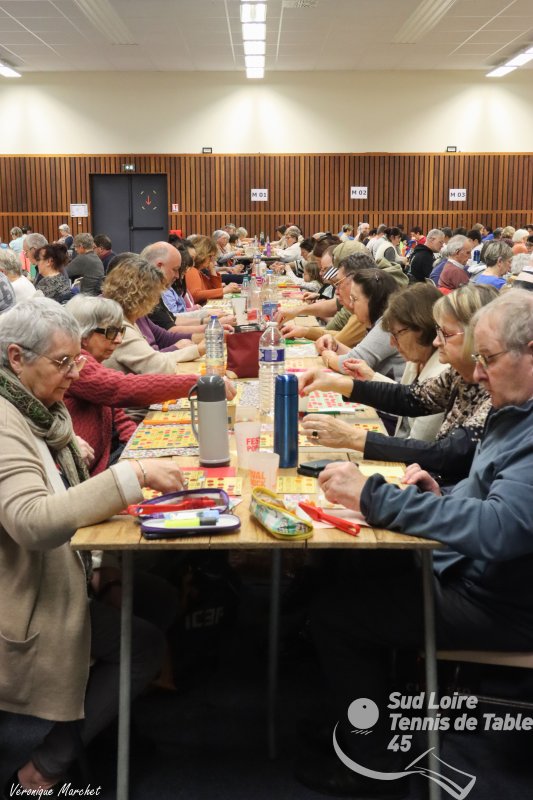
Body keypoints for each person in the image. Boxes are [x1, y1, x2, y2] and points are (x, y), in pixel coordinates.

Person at [298, 288, 533, 797]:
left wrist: (375, 497)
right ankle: (368, 724)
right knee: (353, 572)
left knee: (338, 614)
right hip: (483, 577)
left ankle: (371, 767)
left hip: (502, 603)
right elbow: (489, 495)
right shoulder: (516, 409)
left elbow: (501, 527)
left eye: (488, 359)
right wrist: (441, 495)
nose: (477, 372)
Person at [0, 297, 186, 794]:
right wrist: (133, 476)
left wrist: (99, 560)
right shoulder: (6, 421)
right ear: (16, 357)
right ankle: (42, 769)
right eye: (63, 362)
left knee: (157, 597)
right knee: (142, 644)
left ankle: (99, 726)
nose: (75, 373)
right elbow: (34, 522)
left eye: (77, 360)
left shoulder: (39, 408)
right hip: (21, 600)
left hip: (53, 570)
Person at [299, 284, 497, 484]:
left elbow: (448, 454)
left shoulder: (496, 393)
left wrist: (353, 437)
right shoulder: (459, 375)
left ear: (478, 338)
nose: (437, 342)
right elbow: (410, 398)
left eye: (446, 334)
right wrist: (335, 382)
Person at [65, 295, 234, 474]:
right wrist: (198, 383)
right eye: (111, 332)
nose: (118, 340)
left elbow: (118, 416)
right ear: (84, 336)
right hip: (97, 471)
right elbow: (123, 388)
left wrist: (138, 450)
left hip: (111, 458)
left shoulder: (91, 362)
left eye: (120, 331)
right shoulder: (78, 363)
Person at [101, 254, 204, 375]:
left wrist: (207, 338)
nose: (156, 301)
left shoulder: (131, 313)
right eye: (155, 294)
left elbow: (163, 337)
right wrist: (197, 350)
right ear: (143, 295)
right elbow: (157, 365)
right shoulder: (117, 324)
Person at [185, 236, 239, 303]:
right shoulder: (192, 270)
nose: (212, 260)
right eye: (210, 256)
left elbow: (216, 292)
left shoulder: (199, 272)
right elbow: (195, 295)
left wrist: (213, 270)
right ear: (201, 255)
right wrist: (225, 290)